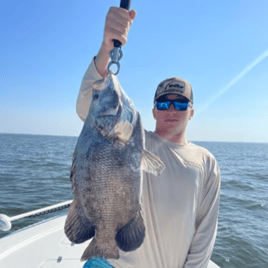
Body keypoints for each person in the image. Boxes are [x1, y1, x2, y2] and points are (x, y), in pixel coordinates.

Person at [77, 7, 221, 268]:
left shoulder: (206, 162)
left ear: (192, 112)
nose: (171, 110)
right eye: (164, 104)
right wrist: (107, 47)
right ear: (154, 110)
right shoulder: (132, 139)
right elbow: (88, 107)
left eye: (180, 104)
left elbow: (205, 233)